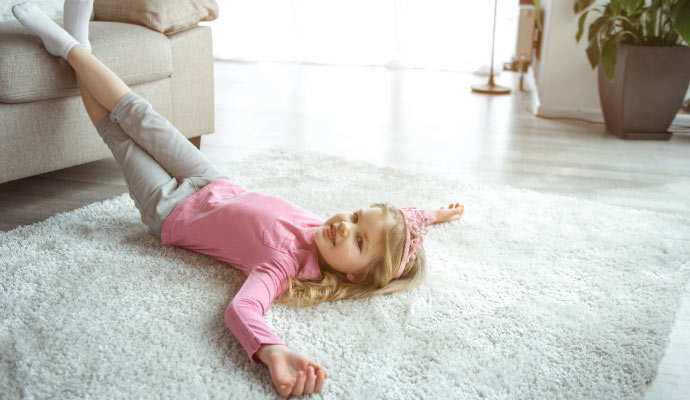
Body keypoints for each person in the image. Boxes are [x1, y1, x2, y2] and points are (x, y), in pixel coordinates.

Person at [12, 1, 465, 397]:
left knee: (118, 136)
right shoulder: (327, 229)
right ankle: (79, 44)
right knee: (140, 114)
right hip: (211, 180)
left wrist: (272, 350)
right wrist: (434, 215)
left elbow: (242, 308)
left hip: (170, 209)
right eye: (354, 216)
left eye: (359, 241)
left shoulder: (283, 266)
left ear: (358, 277)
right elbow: (391, 224)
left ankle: (68, 45)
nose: (345, 224)